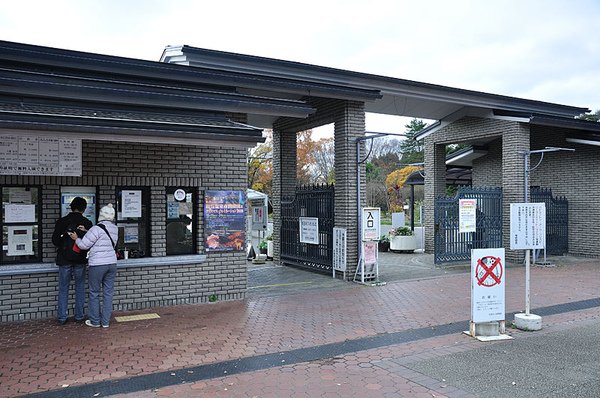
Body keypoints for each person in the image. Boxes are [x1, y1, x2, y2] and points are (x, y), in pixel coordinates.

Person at [68, 203, 118, 328]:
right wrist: (86, 231)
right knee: (108, 293)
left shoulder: (96, 229)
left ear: (101, 215)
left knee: (94, 292)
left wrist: (76, 238)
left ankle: (95, 321)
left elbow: (84, 245)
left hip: (97, 264)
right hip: (112, 263)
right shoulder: (114, 228)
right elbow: (104, 240)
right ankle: (105, 322)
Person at [52, 197, 93, 325]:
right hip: (80, 259)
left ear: (71, 207)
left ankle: (62, 317)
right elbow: (91, 242)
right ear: (84, 209)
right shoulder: (87, 222)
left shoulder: (62, 221)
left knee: (63, 288)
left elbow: (55, 241)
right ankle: (79, 316)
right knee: (80, 287)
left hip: (64, 259)